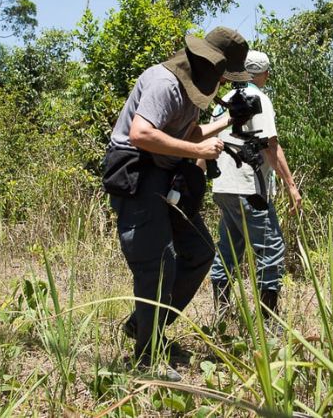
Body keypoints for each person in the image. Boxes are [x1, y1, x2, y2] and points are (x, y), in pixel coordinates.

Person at [102, 27, 250, 379]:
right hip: (137, 171)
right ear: (211, 65)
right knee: (159, 260)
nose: (225, 82)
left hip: (165, 173)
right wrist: (198, 152)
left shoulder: (193, 88)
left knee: (199, 252)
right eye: (226, 74)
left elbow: (189, 134)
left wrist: (229, 121)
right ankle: (147, 358)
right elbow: (142, 133)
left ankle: (144, 326)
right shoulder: (165, 82)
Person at [209, 50, 302, 320]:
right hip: (249, 188)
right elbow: (270, 145)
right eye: (267, 72)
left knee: (229, 248)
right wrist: (291, 185)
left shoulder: (223, 100)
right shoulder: (258, 99)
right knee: (271, 249)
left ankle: (223, 319)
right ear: (261, 74)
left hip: (223, 186)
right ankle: (267, 323)